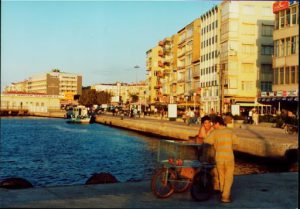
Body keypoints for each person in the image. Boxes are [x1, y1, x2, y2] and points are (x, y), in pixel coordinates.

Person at [204, 116, 239, 203]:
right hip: (229, 157)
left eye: (213, 124)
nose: (213, 126)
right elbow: (236, 142)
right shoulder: (230, 132)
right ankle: (225, 196)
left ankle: (222, 191)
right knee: (229, 177)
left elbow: (206, 141)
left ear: (217, 123)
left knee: (221, 176)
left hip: (219, 157)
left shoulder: (215, 133)